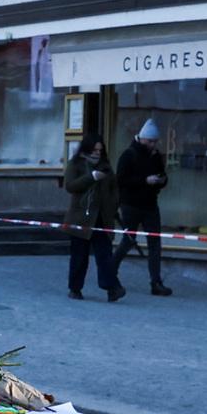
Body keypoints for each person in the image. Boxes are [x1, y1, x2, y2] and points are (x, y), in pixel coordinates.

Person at [113, 118, 174, 296]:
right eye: (150, 141)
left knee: (154, 243)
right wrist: (145, 181)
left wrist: (161, 180)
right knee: (128, 240)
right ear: (142, 138)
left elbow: (162, 175)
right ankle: (110, 270)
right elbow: (121, 180)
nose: (153, 145)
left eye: (155, 141)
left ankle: (156, 282)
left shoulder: (155, 156)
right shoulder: (128, 155)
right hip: (130, 204)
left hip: (150, 204)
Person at [62, 129, 124, 301]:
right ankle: (75, 288)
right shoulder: (76, 164)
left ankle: (112, 288)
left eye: (100, 150)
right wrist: (91, 177)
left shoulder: (106, 166)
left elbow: (114, 189)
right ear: (87, 149)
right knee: (79, 257)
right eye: (94, 150)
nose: (97, 153)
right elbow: (70, 186)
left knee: (105, 256)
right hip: (81, 218)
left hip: (102, 218)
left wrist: (114, 205)